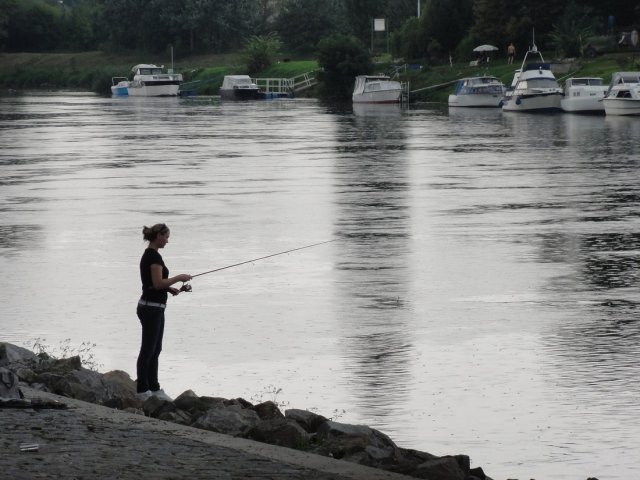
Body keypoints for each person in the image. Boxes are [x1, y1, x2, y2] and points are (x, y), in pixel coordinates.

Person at [135, 223, 192, 402]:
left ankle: (154, 388)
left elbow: (154, 285)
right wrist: (179, 277)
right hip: (151, 308)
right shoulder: (153, 258)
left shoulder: (152, 256)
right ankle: (143, 390)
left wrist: (171, 290)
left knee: (156, 349)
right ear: (158, 236)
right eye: (166, 237)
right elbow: (158, 283)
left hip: (154, 306)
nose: (167, 241)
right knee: (148, 349)